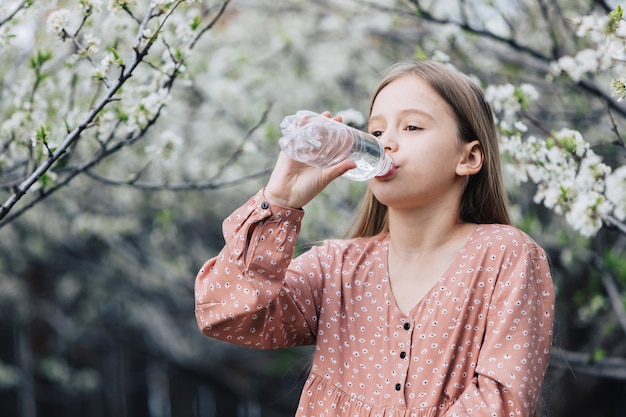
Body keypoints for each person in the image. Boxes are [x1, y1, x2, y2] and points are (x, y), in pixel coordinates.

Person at [194, 59, 554, 417]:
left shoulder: (505, 255)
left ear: (469, 156)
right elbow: (224, 313)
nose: (386, 144)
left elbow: (501, 403)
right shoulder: (336, 268)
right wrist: (280, 200)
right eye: (377, 132)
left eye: (412, 127)